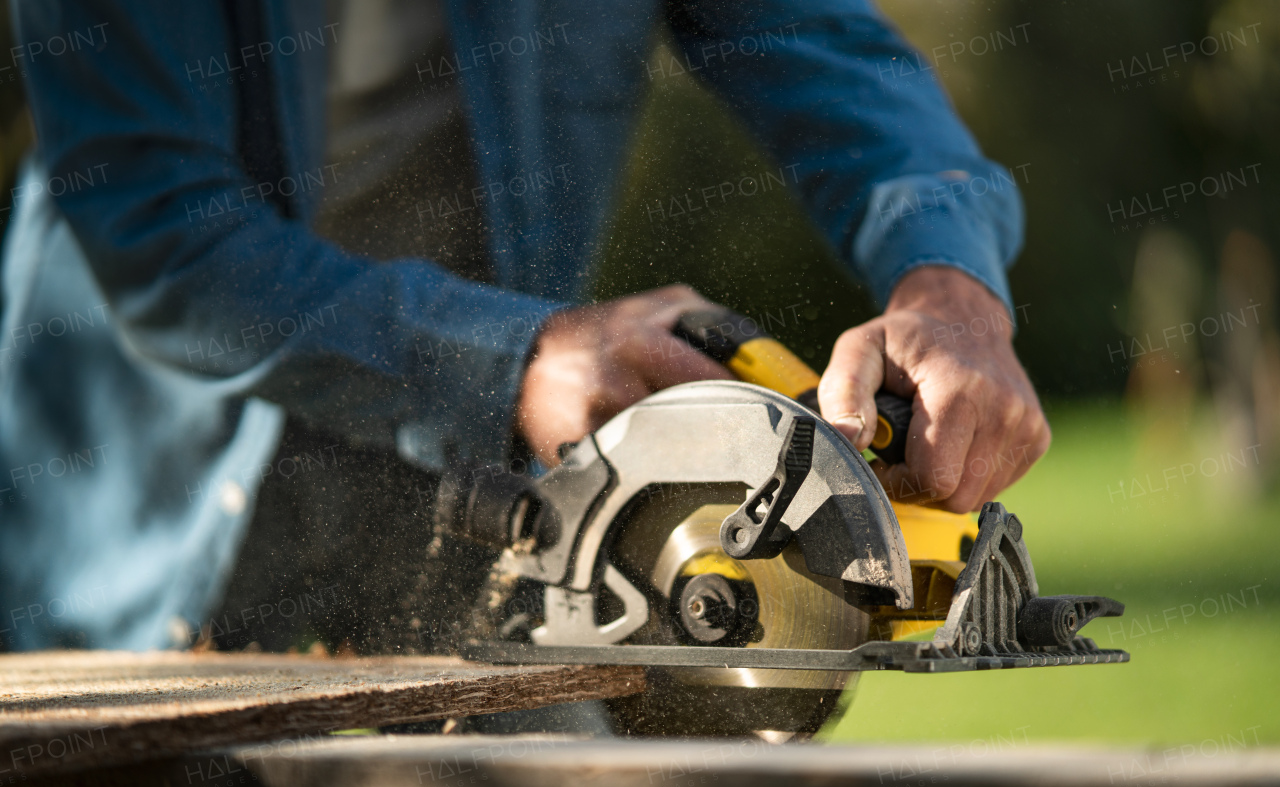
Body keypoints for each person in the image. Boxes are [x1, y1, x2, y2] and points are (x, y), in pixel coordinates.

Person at [0, 0, 1048, 653]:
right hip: (139, 513)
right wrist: (515, 357)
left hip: (492, 494)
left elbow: (828, 51)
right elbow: (156, 229)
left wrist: (946, 285)